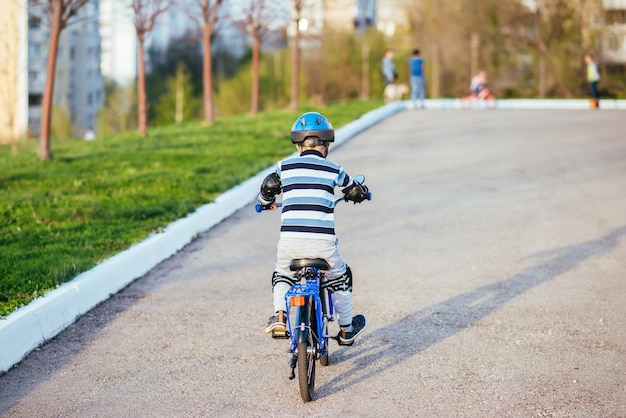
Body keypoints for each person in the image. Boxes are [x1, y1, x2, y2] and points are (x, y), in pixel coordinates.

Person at [258, 112, 369, 346]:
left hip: (290, 244)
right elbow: (353, 190)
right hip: (323, 246)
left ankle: (280, 316)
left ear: (299, 146)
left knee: (282, 275)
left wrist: (266, 202)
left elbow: (269, 186)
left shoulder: (284, 167)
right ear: (327, 145)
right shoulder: (334, 169)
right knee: (340, 277)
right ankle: (347, 330)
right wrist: (361, 193)